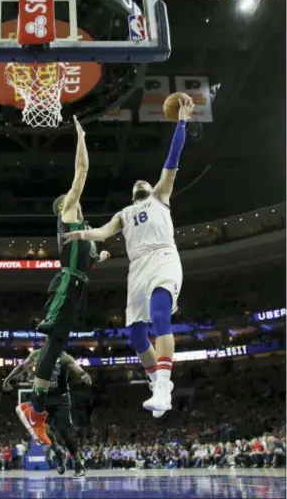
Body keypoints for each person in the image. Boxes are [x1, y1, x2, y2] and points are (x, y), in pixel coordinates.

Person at [64, 99, 194, 417]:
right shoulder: (124, 213)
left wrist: (182, 122)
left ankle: (164, 384)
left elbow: (173, 158)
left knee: (161, 315)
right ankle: (155, 381)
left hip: (163, 257)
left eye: (143, 182)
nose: (139, 182)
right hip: (137, 267)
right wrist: (83, 234)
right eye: (135, 184)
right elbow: (104, 231)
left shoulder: (161, 196)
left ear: (150, 189)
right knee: (136, 337)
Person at [16, 116, 110, 446]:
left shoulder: (81, 229)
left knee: (57, 347)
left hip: (77, 284)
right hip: (68, 283)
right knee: (54, 341)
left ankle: (35, 410)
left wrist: (99, 257)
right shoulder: (68, 211)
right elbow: (81, 171)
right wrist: (81, 137)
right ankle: (36, 410)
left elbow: (89, 257)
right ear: (64, 205)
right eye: (71, 196)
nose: (77, 197)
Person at [3, 349, 92, 477]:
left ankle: (78, 463)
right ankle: (58, 452)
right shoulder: (37, 354)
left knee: (63, 431)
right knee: (44, 431)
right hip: (42, 397)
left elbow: (76, 367)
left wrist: (83, 374)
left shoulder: (64, 357)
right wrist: (8, 378)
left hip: (60, 399)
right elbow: (22, 366)